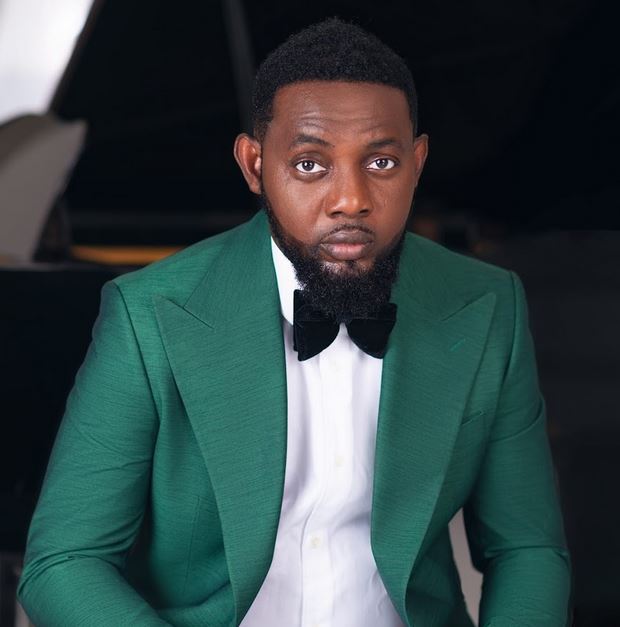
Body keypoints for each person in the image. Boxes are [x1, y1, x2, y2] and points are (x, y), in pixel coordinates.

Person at [17, 17, 571, 627]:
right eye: (310, 164)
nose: (351, 199)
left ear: (417, 163)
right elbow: (65, 561)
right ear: (255, 165)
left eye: (381, 162)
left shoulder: (489, 304)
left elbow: (528, 549)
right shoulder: (148, 314)